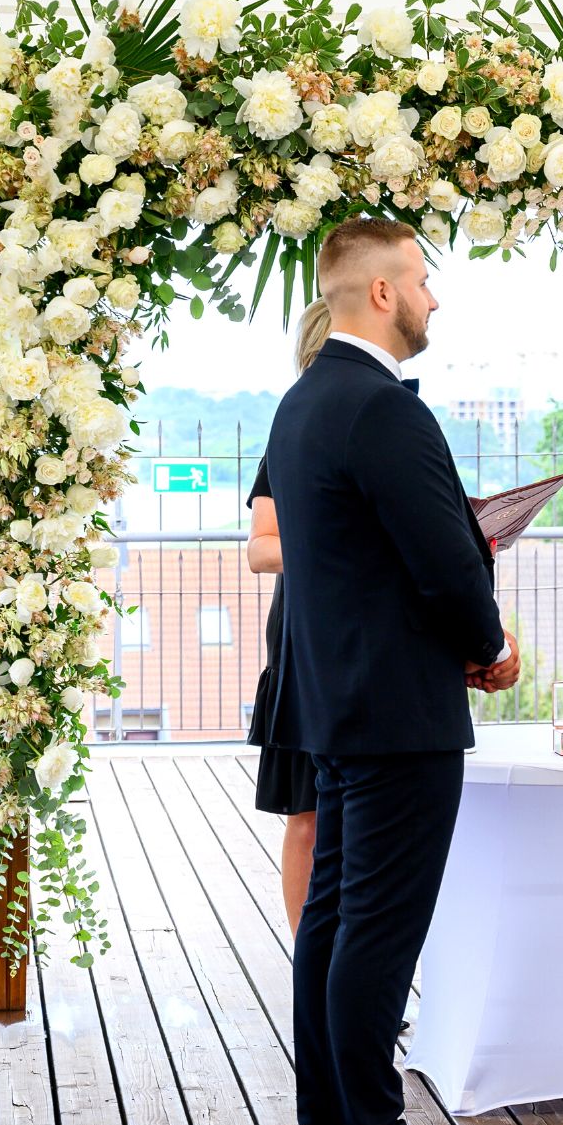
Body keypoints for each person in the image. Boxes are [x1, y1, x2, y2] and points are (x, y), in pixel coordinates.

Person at [266, 218, 520, 1125]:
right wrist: (489, 646)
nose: (433, 297)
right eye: (422, 279)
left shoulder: (302, 403)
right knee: (375, 927)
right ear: (381, 293)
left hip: (338, 701)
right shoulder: (382, 411)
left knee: (332, 917)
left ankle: (326, 1123)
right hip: (398, 714)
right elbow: (444, 565)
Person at [246, 298, 331, 935]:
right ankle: (313, 962)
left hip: (378, 644)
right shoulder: (293, 430)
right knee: (308, 814)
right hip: (309, 640)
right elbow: (260, 549)